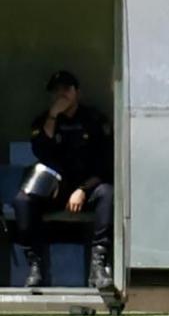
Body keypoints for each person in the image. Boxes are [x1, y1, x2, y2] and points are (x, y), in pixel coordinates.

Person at [12, 70, 115, 290]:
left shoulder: (95, 120)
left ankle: (98, 265)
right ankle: (35, 266)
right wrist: (52, 116)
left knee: (107, 193)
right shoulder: (45, 120)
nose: (62, 95)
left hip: (87, 188)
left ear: (77, 92)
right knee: (22, 200)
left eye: (66, 89)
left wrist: (82, 189)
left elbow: (105, 165)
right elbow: (41, 151)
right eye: (57, 91)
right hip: (54, 189)